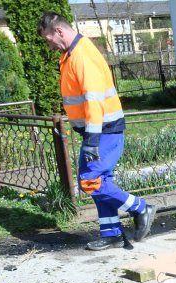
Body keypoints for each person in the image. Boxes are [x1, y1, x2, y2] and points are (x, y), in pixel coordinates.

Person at [38, 12, 156, 251]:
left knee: (90, 180)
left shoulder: (82, 56)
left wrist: (92, 141)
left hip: (104, 132)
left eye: (48, 37)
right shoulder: (71, 54)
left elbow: (94, 102)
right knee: (98, 180)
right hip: (97, 132)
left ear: (59, 31)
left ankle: (140, 207)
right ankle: (112, 232)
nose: (48, 43)